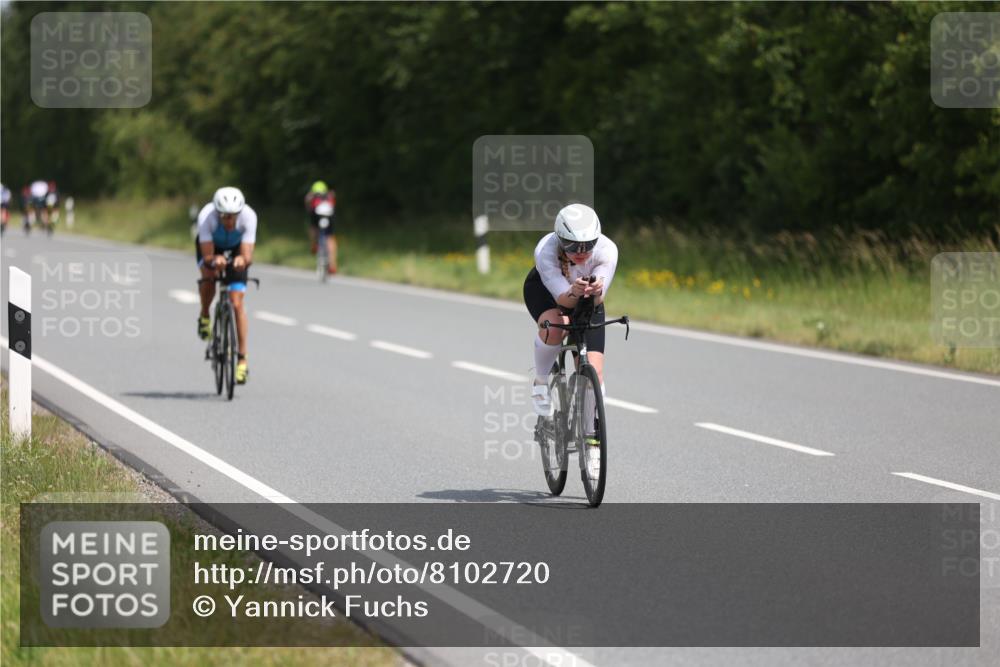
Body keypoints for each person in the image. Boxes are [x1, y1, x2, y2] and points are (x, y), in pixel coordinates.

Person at [522, 203, 618, 468]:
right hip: (546, 293)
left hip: (587, 300)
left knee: (594, 374)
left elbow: (598, 298)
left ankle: (591, 440)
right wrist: (574, 291)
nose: (581, 252)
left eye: (588, 245)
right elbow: (563, 298)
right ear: (559, 239)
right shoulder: (546, 250)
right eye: (572, 245)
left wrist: (596, 289)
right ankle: (541, 382)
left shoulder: (607, 250)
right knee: (556, 324)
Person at [196, 187, 257, 384]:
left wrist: (241, 260)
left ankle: (242, 360)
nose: (229, 221)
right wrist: (214, 260)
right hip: (212, 247)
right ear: (217, 213)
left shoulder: (249, 217)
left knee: (237, 304)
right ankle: (205, 315)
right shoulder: (207, 217)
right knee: (209, 278)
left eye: (233, 217)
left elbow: (247, 255)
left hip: (236, 248)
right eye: (225, 217)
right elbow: (206, 256)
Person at [304, 180, 337, 274]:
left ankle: (314, 244)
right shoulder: (329, 196)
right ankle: (333, 265)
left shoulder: (312, 196)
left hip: (317, 217)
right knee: (330, 237)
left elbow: (308, 205)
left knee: (313, 228)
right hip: (329, 217)